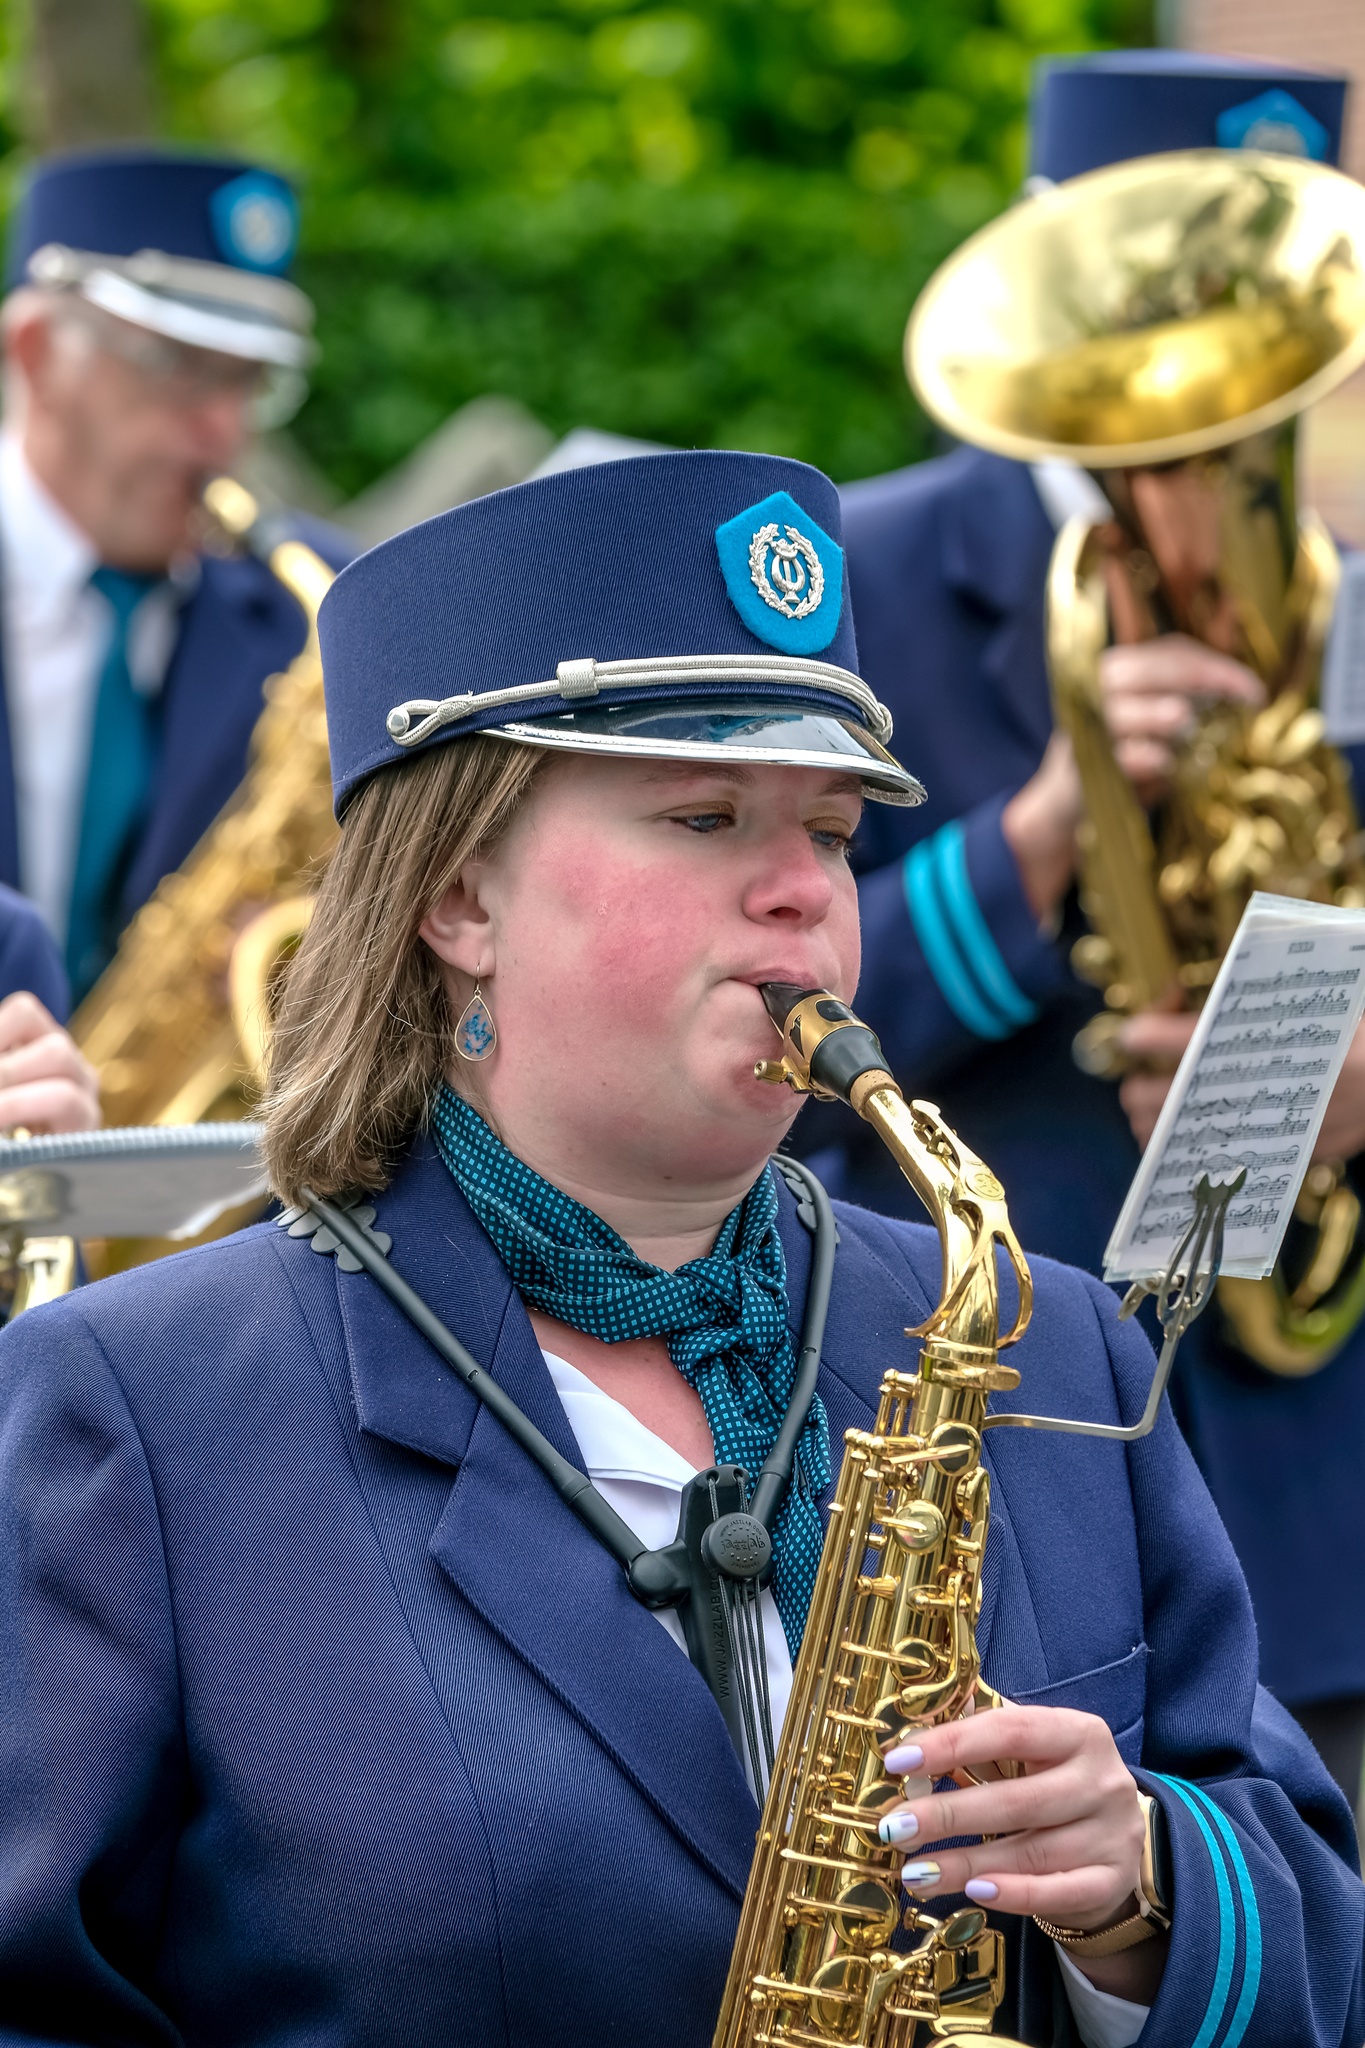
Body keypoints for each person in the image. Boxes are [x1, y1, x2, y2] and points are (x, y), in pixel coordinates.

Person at [0, 450, 1358, 2048]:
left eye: (832, 833)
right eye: (704, 817)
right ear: (458, 899)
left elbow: (1312, 1928)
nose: (800, 895)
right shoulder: (133, 1409)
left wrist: (1144, 1888)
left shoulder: (1050, 1343)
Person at [811, 50, 1365, 1807]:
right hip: (988, 1449)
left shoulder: (1347, 592)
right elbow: (774, 1000)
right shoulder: (855, 570)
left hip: (1314, 1484)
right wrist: (1047, 837)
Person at [0, 147, 349, 1003]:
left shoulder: (329, 605)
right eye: (177, 366)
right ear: (35, 350)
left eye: (250, 380)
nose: (225, 429)